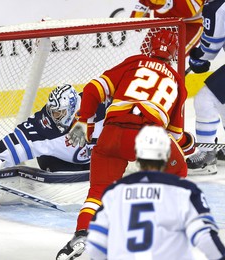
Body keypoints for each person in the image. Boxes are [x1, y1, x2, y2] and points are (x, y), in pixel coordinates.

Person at [56, 29, 196, 260]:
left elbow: (92, 89)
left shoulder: (133, 62)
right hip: (147, 136)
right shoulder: (178, 82)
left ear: (150, 47)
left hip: (111, 134)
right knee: (177, 173)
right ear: (173, 53)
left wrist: (84, 121)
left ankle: (81, 236)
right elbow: (175, 137)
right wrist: (189, 144)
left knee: (98, 192)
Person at [86, 125, 225, 260]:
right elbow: (205, 238)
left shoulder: (114, 192)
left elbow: (95, 245)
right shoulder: (184, 191)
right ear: (167, 155)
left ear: (138, 156)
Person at [0, 84, 106, 173]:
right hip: (59, 163)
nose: (54, 117)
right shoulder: (45, 124)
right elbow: (19, 141)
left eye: (59, 113)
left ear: (71, 109)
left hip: (94, 160)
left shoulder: (100, 107)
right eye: (53, 112)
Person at [186, 0, 225, 175]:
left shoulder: (216, 7)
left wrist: (196, 57)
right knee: (221, 98)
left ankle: (206, 152)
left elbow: (210, 49)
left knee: (205, 99)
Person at [129, 0, 205, 56]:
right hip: (164, 21)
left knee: (170, 57)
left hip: (189, 25)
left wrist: (165, 3)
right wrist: (143, 6)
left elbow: (190, 9)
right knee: (146, 55)